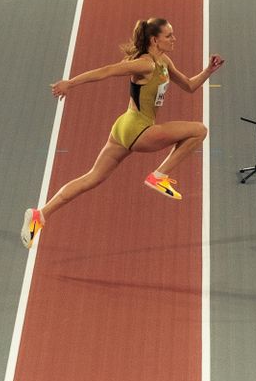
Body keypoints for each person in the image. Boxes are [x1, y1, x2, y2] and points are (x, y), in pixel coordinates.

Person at [22, 17, 224, 247]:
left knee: (91, 178)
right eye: (169, 36)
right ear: (154, 39)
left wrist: (209, 70)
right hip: (139, 128)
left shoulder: (164, 61)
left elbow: (189, 86)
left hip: (123, 128)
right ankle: (159, 176)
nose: (174, 39)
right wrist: (70, 83)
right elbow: (107, 71)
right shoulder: (145, 64)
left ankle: (40, 214)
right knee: (199, 130)